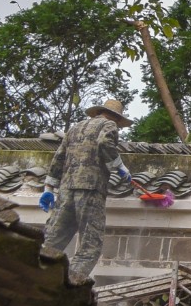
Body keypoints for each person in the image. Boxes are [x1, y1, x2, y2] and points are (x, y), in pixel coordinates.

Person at [39, 97, 134, 285]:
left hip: (66, 190)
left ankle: (38, 274)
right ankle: (71, 285)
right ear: (116, 118)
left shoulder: (75, 128)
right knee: (91, 244)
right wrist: (119, 165)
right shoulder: (108, 125)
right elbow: (104, 143)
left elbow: (59, 157)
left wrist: (48, 188)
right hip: (91, 189)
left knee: (53, 239)